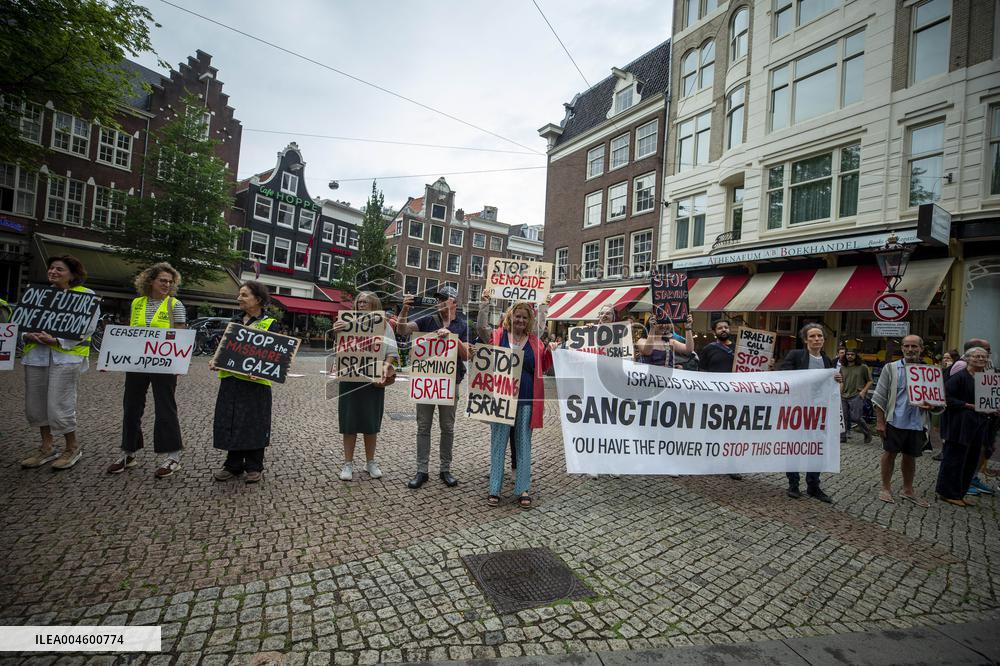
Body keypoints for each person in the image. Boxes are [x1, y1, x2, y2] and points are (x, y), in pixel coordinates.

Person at [19, 255, 99, 470]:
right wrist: (27, 335)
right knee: (35, 404)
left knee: (59, 404)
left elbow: (86, 328)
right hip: (36, 355)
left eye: (59, 269)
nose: (53, 272)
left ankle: (72, 447)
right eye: (51, 268)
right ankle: (47, 447)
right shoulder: (38, 294)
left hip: (66, 357)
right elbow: (22, 319)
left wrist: (57, 340)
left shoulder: (86, 296)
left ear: (72, 274)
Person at [107, 262, 187, 478]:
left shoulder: (175, 305)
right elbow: (131, 334)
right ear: (150, 280)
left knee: (165, 408)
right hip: (137, 364)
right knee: (131, 406)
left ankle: (173, 457)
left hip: (164, 365)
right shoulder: (137, 304)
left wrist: (178, 363)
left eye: (170, 282)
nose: (167, 285)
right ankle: (128, 452)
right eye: (162, 280)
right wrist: (110, 359)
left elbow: (180, 336)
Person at [476, 294, 552, 508]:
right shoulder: (499, 335)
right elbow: (482, 330)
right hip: (502, 398)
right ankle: (494, 488)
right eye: (517, 317)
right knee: (498, 443)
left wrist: (544, 308)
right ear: (511, 317)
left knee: (523, 444)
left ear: (529, 321)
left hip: (526, 400)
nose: (520, 321)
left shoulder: (536, 342)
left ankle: (523, 488)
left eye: (524, 318)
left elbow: (543, 364)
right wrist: (484, 305)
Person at [394, 285, 471, 489]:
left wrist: (453, 340)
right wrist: (404, 311)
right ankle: (422, 470)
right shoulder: (427, 320)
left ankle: (445, 469)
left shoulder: (462, 325)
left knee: (447, 427)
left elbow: (467, 355)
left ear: (454, 302)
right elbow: (401, 329)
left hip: (450, 382)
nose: (439, 302)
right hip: (427, 382)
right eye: (438, 299)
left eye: (443, 299)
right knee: (423, 427)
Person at [209, 281, 279, 483]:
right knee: (232, 419)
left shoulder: (270, 324)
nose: (239, 298)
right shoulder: (234, 322)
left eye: (244, 295)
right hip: (231, 380)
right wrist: (215, 360)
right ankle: (233, 465)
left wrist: (262, 370)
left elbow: (276, 357)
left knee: (255, 422)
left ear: (258, 299)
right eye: (239, 295)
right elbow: (224, 348)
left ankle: (254, 466)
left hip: (257, 383)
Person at [333, 291, 398, 482]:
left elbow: (392, 350)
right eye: (359, 301)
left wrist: (386, 366)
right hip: (350, 378)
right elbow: (336, 348)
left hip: (373, 379)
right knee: (349, 421)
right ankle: (348, 463)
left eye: (366, 302)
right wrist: (338, 330)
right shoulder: (344, 323)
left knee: (371, 423)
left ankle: (370, 461)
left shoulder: (384, 325)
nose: (361, 304)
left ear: (374, 305)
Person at [870, 335, 940, 506]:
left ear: (921, 349)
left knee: (910, 456)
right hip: (895, 419)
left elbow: (938, 401)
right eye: (907, 346)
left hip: (917, 422)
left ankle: (908, 490)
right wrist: (880, 421)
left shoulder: (929, 372)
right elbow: (880, 396)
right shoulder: (891, 368)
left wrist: (931, 406)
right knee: (889, 454)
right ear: (901, 348)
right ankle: (885, 488)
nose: (910, 350)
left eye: (914, 346)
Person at [776, 323, 842, 503]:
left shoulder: (827, 361)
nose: (816, 339)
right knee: (794, 447)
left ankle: (814, 486)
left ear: (824, 339)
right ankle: (794, 484)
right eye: (812, 336)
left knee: (816, 448)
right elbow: (783, 375)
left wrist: (837, 378)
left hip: (818, 412)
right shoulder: (796, 355)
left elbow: (829, 385)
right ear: (805, 340)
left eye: (819, 336)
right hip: (797, 410)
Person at [935, 346, 998, 506]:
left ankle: (960, 492)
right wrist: (968, 405)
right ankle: (947, 493)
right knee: (954, 458)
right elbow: (946, 397)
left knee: (970, 460)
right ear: (968, 359)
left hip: (978, 425)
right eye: (977, 356)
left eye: (984, 357)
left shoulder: (986, 378)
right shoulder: (960, 377)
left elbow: (989, 402)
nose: (981, 359)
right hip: (959, 425)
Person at [840, 349, 874, 444]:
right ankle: (843, 436)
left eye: (852, 354)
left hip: (856, 395)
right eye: (848, 354)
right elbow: (841, 381)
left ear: (856, 356)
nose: (850, 356)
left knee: (856, 417)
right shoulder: (843, 368)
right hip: (844, 395)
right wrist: (839, 393)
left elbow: (870, 380)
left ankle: (867, 433)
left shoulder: (863, 367)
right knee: (844, 417)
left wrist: (863, 391)